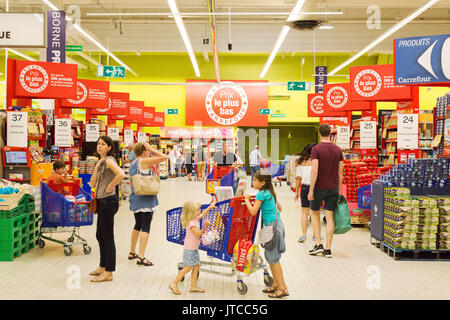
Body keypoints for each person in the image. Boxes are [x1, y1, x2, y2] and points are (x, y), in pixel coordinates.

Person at [244, 170, 288, 298]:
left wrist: (247, 200)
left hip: (271, 228)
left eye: (255, 180)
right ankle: (275, 284)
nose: (253, 182)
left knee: (273, 259)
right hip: (278, 225)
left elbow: (253, 211)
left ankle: (283, 288)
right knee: (272, 257)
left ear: (262, 182)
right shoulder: (270, 192)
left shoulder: (261, 194)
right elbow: (280, 208)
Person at [89, 136, 125, 282]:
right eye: (98, 144)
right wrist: (97, 166)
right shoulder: (101, 161)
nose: (99, 146)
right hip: (101, 201)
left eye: (103, 144)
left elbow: (121, 174)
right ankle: (103, 266)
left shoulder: (109, 160)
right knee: (100, 235)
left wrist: (111, 185)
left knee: (107, 237)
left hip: (108, 202)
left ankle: (109, 272)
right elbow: (92, 183)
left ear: (109, 147)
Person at [128, 142, 168, 266]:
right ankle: (141, 256)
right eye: (148, 151)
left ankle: (132, 251)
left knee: (138, 224)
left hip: (136, 197)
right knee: (146, 226)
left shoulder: (133, 164)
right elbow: (164, 157)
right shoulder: (143, 161)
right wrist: (153, 149)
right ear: (144, 151)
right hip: (145, 199)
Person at [308, 123, 344, 258]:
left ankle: (318, 244)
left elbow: (314, 170)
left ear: (319, 133)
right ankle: (328, 248)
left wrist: (311, 190)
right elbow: (341, 172)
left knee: (314, 213)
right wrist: (339, 189)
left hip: (318, 188)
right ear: (330, 134)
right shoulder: (338, 150)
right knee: (330, 217)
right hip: (333, 188)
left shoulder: (316, 149)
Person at [169, 200, 217, 295]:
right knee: (187, 268)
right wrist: (205, 226)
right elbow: (198, 235)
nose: (200, 210)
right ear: (192, 212)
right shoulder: (192, 224)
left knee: (196, 266)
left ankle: (193, 286)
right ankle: (174, 283)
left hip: (194, 248)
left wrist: (210, 207)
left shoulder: (194, 219)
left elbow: (202, 214)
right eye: (198, 209)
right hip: (189, 249)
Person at [294, 143, 316, 243]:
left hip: (304, 188)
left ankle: (303, 234)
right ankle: (316, 235)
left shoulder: (300, 162)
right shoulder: (316, 161)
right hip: (315, 188)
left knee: (304, 213)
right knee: (315, 212)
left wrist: (296, 192)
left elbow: (298, 178)